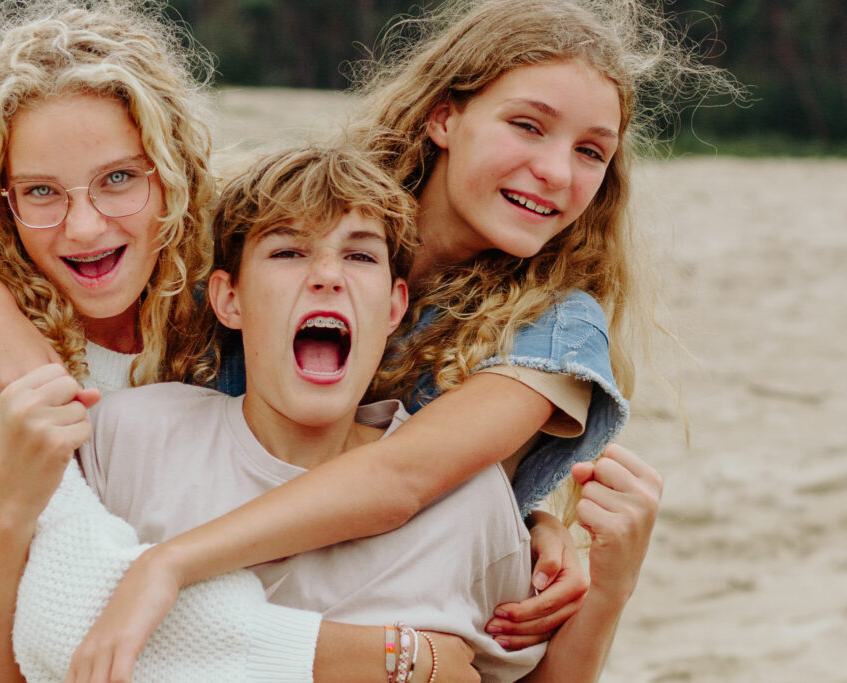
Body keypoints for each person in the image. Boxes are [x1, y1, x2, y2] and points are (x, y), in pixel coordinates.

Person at [64, 0, 739, 679]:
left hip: (343, 597)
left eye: (591, 151)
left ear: (393, 305)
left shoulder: (551, 328)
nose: (557, 172)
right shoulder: (300, 208)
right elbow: (65, 271)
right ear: (444, 115)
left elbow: (402, 477)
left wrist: (533, 536)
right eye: (527, 126)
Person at [0, 2, 479, 681]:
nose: (85, 227)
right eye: (41, 191)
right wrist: (391, 659)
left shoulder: (230, 320)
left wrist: (541, 526)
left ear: (172, 170)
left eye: (119, 178)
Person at [73, 144, 545, 682]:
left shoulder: (469, 501)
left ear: (393, 307)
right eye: (288, 252)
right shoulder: (125, 438)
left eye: (360, 255)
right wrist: (399, 659)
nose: (327, 275)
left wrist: (608, 585)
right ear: (230, 299)